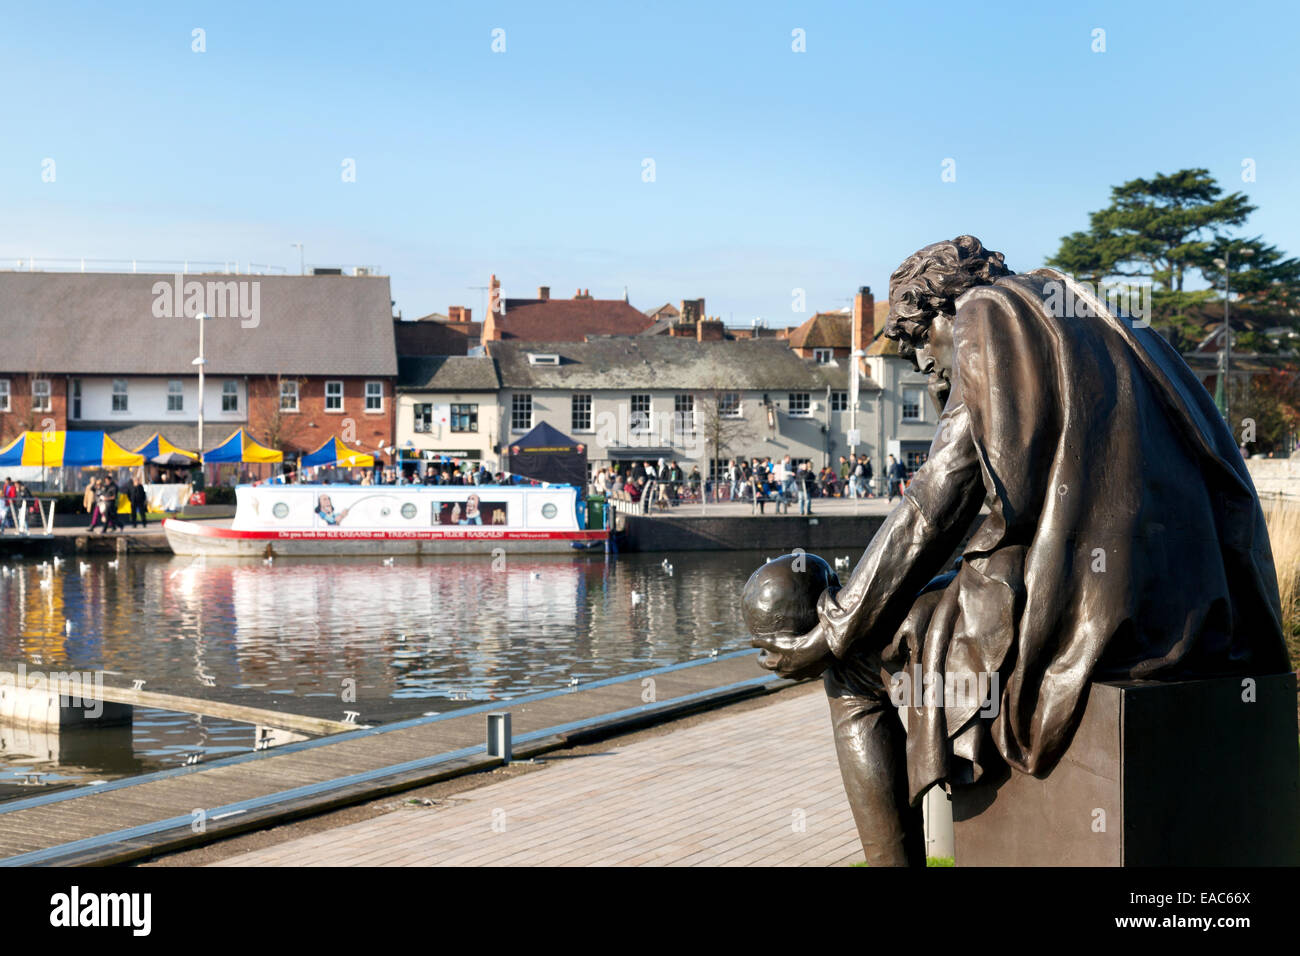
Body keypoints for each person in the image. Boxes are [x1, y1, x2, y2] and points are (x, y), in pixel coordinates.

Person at [753, 235, 1291, 866]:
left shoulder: (987, 313)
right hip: (1200, 619)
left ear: (943, 308)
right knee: (933, 608)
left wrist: (833, 634)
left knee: (854, 668)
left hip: (1100, 628)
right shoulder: (1098, 315)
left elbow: (937, 501)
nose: (925, 367)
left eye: (919, 343)